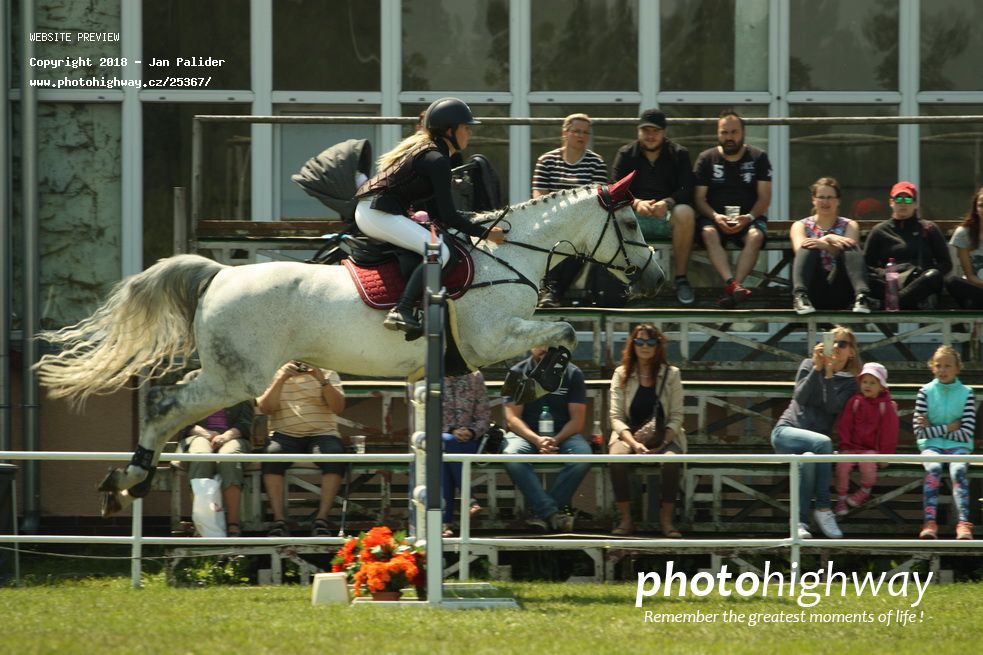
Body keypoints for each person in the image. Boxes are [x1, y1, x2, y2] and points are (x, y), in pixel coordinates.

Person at [354, 97, 506, 338]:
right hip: (376, 214)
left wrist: (474, 222)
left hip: (378, 211)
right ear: (449, 131)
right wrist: (485, 233)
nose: (470, 133)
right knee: (440, 253)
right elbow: (449, 215)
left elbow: (441, 213)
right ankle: (402, 309)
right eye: (465, 128)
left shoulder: (433, 154)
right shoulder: (437, 160)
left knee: (440, 245)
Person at [770, 325, 861, 539]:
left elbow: (832, 408)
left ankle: (799, 522)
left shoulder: (850, 383)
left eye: (842, 343)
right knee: (823, 443)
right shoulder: (809, 364)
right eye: (832, 341)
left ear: (851, 352)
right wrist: (817, 369)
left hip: (815, 446)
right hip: (787, 432)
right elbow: (800, 397)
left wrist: (829, 375)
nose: (836, 346)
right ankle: (823, 507)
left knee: (808, 460)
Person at [607, 323, 686, 538]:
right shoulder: (621, 373)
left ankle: (666, 520)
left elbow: (677, 416)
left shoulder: (672, 374)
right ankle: (626, 519)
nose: (645, 346)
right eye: (640, 341)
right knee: (616, 459)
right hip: (629, 434)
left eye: (650, 342)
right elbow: (616, 417)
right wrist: (633, 444)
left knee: (671, 462)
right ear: (632, 345)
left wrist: (663, 444)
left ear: (658, 346)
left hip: (664, 434)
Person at [613, 108, 697, 305]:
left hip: (668, 218)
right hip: (634, 218)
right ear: (638, 131)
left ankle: (681, 280)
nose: (650, 136)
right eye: (645, 130)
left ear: (664, 132)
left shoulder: (679, 154)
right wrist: (636, 203)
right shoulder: (625, 153)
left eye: (655, 131)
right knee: (613, 215)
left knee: (685, 212)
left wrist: (668, 202)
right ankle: (626, 281)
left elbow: (687, 188)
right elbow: (615, 189)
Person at [502, 346, 591, 532]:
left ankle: (541, 513)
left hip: (564, 434)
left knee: (583, 456)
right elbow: (512, 418)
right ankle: (552, 514)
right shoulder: (516, 372)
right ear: (530, 344)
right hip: (526, 434)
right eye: (538, 342)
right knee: (511, 455)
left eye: (548, 342)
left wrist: (556, 439)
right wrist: (537, 440)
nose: (543, 347)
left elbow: (577, 421)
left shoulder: (573, 373)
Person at [255, 360, 346, 537]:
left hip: (322, 433)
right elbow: (266, 408)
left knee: (335, 456)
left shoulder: (327, 371)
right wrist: (281, 378)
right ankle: (279, 521)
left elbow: (338, 407)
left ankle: (321, 520)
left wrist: (322, 380)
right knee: (271, 456)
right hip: (284, 433)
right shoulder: (274, 371)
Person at [693, 109, 772, 308]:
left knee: (756, 236)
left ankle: (735, 286)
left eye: (734, 132)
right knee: (708, 233)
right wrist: (716, 216)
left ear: (743, 133)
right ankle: (733, 285)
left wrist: (749, 217)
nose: (729, 137)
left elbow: (765, 198)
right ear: (718, 133)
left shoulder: (758, 157)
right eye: (724, 132)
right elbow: (699, 199)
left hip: (749, 218)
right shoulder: (706, 158)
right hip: (714, 218)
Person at [533, 113, 610, 308]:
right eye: (576, 131)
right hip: (553, 218)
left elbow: (596, 200)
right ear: (565, 133)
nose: (581, 136)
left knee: (579, 239)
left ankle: (552, 292)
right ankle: (546, 291)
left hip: (581, 223)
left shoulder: (596, 163)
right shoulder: (546, 160)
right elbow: (539, 197)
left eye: (585, 132)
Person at [914, 346, 976, 540]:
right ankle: (929, 522)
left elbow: (966, 433)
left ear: (957, 368)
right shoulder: (925, 392)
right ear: (932, 367)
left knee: (958, 470)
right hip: (931, 445)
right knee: (933, 468)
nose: (942, 370)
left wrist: (934, 427)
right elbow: (919, 432)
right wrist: (949, 428)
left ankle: (963, 523)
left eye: (948, 366)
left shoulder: (967, 393)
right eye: (938, 365)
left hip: (959, 447)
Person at [863, 181, 952, 310]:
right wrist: (885, 274)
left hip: (919, 286)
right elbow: (867, 265)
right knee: (866, 279)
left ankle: (891, 304)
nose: (903, 203)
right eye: (898, 199)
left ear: (915, 204)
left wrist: (922, 273)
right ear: (891, 202)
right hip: (889, 283)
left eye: (908, 199)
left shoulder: (928, 228)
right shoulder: (879, 231)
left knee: (933, 275)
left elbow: (946, 263)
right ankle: (900, 301)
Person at [790, 177, 872, 314]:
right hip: (813, 287)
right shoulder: (800, 225)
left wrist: (826, 244)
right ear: (813, 200)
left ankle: (862, 296)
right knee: (808, 246)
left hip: (841, 287)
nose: (825, 202)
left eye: (830, 197)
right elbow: (800, 251)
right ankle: (800, 296)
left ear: (838, 201)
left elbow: (851, 255)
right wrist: (828, 240)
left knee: (850, 247)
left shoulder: (850, 225)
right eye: (821, 197)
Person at [833, 363, 899, 516]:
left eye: (872, 382)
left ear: (881, 387)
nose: (867, 385)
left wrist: (885, 455)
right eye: (864, 382)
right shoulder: (855, 401)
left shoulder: (886, 406)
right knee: (842, 466)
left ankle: (864, 490)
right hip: (851, 448)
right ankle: (841, 498)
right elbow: (845, 425)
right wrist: (844, 446)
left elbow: (889, 432)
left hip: (871, 449)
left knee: (868, 464)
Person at [181, 401, 254, 537]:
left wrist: (225, 437)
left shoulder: (242, 389)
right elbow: (183, 422)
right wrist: (208, 434)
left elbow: (244, 424)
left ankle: (233, 524)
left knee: (229, 458)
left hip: (233, 436)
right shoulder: (190, 386)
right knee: (201, 456)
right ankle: (201, 525)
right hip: (198, 435)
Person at [441, 370, 491, 537]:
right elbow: (423, 415)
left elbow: (484, 417)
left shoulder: (475, 376)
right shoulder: (427, 376)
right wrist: (451, 431)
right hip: (437, 439)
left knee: (447, 456)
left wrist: (471, 431)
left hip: (469, 441)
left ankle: (445, 523)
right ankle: (469, 500)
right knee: (448, 443)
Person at [945, 186, 983, 309]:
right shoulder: (964, 233)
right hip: (976, 288)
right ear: (976, 209)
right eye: (981, 205)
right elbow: (970, 276)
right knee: (952, 282)